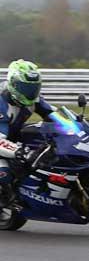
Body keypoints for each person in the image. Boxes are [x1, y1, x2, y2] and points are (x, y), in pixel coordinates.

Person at [0, 60, 54, 209]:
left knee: (38, 135)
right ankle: (7, 197)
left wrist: (76, 122)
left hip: (11, 136)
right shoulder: (2, 104)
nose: (30, 92)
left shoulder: (33, 100)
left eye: (33, 88)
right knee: (4, 172)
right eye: (25, 88)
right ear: (13, 84)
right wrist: (19, 151)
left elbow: (53, 114)